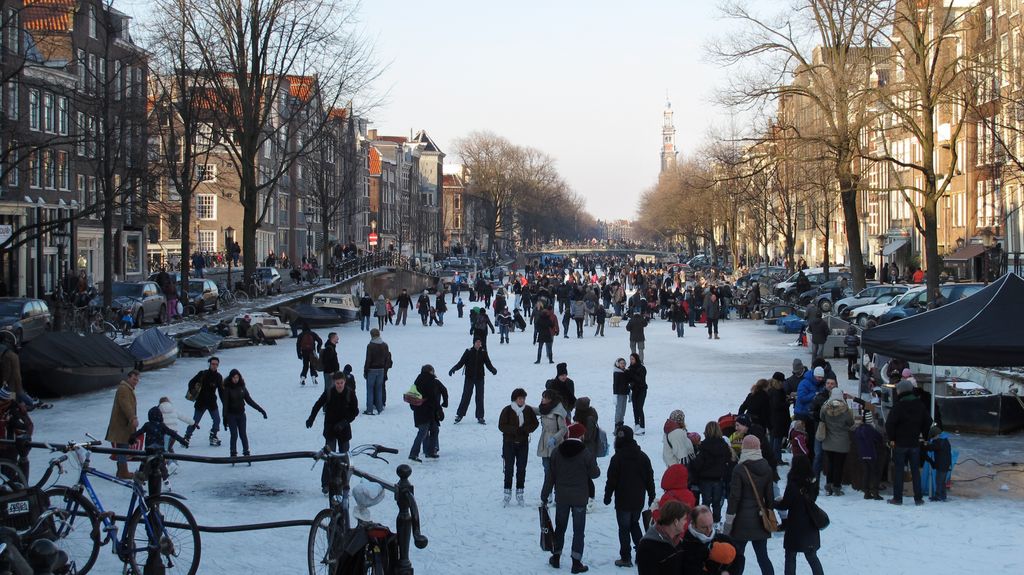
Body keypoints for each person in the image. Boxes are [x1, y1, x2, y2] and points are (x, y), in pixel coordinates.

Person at [541, 423, 601, 573]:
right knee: (578, 530)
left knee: (560, 527)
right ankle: (576, 561)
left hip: (562, 497)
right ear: (580, 435)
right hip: (580, 498)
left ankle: (556, 556)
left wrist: (544, 496)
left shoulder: (556, 452)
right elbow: (595, 474)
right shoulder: (586, 453)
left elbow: (550, 477)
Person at [604, 426, 656, 568]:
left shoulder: (617, 458)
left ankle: (625, 557)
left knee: (624, 528)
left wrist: (607, 496)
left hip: (623, 499)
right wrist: (652, 495)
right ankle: (641, 553)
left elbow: (612, 480)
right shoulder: (643, 457)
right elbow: (649, 479)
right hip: (638, 499)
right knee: (634, 524)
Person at [724, 435, 776, 575]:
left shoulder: (739, 469)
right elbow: (770, 496)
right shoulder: (766, 467)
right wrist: (769, 513)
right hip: (760, 520)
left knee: (737, 557)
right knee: (763, 557)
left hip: (741, 521)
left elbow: (734, 497)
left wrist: (729, 521)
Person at [306, 369, 360, 493]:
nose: (339, 385)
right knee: (330, 456)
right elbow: (318, 404)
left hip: (344, 429)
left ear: (345, 382)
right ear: (334, 382)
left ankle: (344, 483)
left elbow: (355, 411)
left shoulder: (350, 393)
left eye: (341, 383)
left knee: (344, 457)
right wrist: (311, 418)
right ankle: (326, 484)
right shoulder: (329, 392)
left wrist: (345, 422)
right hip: (330, 427)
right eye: (337, 383)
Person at [772, 456, 824, 575]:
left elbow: (785, 504)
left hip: (795, 524)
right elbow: (811, 499)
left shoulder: (793, 483)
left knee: (790, 556)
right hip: (810, 522)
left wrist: (773, 502)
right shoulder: (813, 481)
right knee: (811, 556)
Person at [886, 379, 932, 505]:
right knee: (915, 472)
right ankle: (918, 498)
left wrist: (892, 439)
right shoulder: (920, 404)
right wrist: (924, 436)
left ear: (901, 390)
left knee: (899, 471)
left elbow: (889, 424)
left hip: (900, 444)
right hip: (914, 444)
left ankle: (897, 498)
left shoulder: (899, 405)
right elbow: (928, 422)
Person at [497, 388, 539, 506]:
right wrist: (514, 430)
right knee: (508, 469)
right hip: (509, 443)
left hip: (523, 444)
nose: (522, 400)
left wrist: (526, 430)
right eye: (520, 398)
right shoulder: (507, 410)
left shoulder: (528, 410)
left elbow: (535, 423)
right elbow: (501, 425)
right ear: (515, 399)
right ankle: (507, 494)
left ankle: (520, 493)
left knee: (521, 469)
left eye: (523, 398)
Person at [129, 406, 189, 486]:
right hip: (159, 449)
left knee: (144, 463)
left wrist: (132, 438)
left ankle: (140, 479)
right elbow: (172, 433)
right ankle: (166, 480)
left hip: (149, 449)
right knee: (161, 464)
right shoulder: (162, 426)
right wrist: (183, 441)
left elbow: (138, 433)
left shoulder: (147, 425)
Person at [689, 421, 733, 524]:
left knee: (706, 503)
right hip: (719, 479)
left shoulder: (704, 446)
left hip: (705, 480)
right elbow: (728, 460)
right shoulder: (724, 445)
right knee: (717, 503)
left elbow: (698, 463)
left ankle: (705, 522)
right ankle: (716, 522)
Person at [219, 369, 267, 459]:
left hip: (241, 415)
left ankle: (246, 452)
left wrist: (261, 410)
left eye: (237, 377)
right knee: (234, 435)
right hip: (231, 415)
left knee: (243, 434)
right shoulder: (227, 389)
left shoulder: (242, 387)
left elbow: (249, 401)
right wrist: (225, 418)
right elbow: (225, 404)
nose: (236, 379)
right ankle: (233, 453)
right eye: (234, 378)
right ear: (231, 378)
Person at [449, 339, 497, 424]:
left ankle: (480, 416)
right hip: (469, 378)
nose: (478, 344)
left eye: (480, 342)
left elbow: (488, 363)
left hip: (480, 378)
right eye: (477, 342)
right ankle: (460, 415)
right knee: (466, 396)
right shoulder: (468, 351)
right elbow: (461, 362)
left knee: (480, 397)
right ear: (474, 343)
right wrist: (454, 368)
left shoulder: (483, 352)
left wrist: (492, 369)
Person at [679, 505, 737, 575]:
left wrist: (729, 572)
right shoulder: (686, 546)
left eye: (711, 525)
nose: (709, 530)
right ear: (693, 524)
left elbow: (740, 557)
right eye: (704, 527)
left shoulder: (721, 538)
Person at [635, 500, 688, 575]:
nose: (686, 522)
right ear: (676, 522)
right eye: (684, 519)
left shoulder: (679, 542)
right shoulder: (648, 546)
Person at [105, 369, 140, 479]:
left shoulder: (127, 388)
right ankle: (123, 472)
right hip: (122, 425)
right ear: (128, 378)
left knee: (122, 447)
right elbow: (126, 405)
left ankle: (121, 471)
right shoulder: (124, 389)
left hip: (123, 424)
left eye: (137, 380)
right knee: (122, 448)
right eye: (134, 379)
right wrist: (133, 418)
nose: (136, 381)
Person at [818, 387, 853, 496]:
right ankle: (837, 486)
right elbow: (850, 423)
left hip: (828, 440)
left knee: (831, 463)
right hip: (842, 441)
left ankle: (829, 484)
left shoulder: (825, 407)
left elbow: (821, 418)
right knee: (839, 465)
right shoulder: (845, 409)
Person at [184, 357, 224, 447]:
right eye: (213, 364)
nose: (214, 366)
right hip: (201, 402)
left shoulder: (218, 377)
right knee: (195, 421)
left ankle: (213, 435)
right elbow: (191, 382)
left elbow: (221, 391)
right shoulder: (202, 374)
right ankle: (187, 437)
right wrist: (192, 390)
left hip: (212, 403)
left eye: (216, 364)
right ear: (209, 364)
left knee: (217, 420)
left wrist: (225, 403)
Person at [537, 389, 568, 498]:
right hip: (545, 443)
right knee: (547, 469)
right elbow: (537, 411)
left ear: (550, 400)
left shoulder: (557, 412)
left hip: (556, 445)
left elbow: (563, 429)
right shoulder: (544, 409)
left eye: (544, 398)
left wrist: (554, 438)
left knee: (556, 470)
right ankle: (548, 492)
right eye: (542, 397)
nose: (542, 399)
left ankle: (557, 493)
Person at [409, 365, 443, 462]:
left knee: (434, 430)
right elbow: (433, 398)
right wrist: (439, 409)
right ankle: (413, 453)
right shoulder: (430, 381)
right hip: (427, 412)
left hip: (420, 412)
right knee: (423, 433)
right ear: (430, 371)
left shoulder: (417, 381)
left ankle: (430, 451)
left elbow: (412, 397)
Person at [0, 385, 33, 480]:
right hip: (5, 443)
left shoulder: (15, 409)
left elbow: (28, 425)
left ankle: (15, 489)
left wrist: (25, 438)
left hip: (11, 445)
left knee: (8, 473)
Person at [853, 411, 884, 500]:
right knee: (875, 473)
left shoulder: (858, 429)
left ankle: (866, 492)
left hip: (862, 454)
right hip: (871, 453)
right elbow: (879, 438)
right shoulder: (870, 429)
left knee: (866, 472)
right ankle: (875, 493)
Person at [363, 328, 392, 416]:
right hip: (381, 370)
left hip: (372, 369)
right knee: (379, 389)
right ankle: (379, 407)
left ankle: (369, 409)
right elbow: (387, 359)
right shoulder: (385, 345)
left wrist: (365, 370)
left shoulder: (370, 346)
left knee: (370, 389)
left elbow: (368, 359)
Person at [767, 372, 791, 464]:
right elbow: (777, 405)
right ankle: (777, 459)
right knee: (777, 439)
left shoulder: (771, 390)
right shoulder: (776, 391)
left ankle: (773, 458)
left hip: (773, 419)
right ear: (778, 382)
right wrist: (787, 403)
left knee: (773, 438)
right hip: (778, 419)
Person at [923, 424, 952, 502]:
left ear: (937, 435)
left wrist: (925, 445)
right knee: (942, 481)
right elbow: (934, 446)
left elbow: (932, 447)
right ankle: (943, 495)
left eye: (933, 437)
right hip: (946, 463)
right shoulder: (944, 439)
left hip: (942, 464)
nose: (932, 439)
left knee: (939, 480)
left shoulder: (939, 441)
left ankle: (938, 496)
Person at [626, 353, 648, 434]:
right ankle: (637, 424)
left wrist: (631, 373)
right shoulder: (629, 368)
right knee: (634, 408)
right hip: (634, 390)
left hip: (642, 390)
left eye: (632, 359)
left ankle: (642, 427)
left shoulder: (642, 368)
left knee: (639, 408)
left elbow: (640, 380)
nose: (631, 360)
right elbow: (629, 379)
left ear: (636, 359)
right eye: (630, 359)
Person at [612, 358, 630, 428]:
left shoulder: (625, 372)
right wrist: (615, 395)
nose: (623, 365)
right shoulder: (617, 373)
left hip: (625, 394)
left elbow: (627, 383)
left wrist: (629, 392)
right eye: (621, 363)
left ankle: (621, 424)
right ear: (617, 364)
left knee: (623, 410)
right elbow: (615, 384)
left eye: (624, 363)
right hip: (619, 394)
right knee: (619, 410)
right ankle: (617, 425)